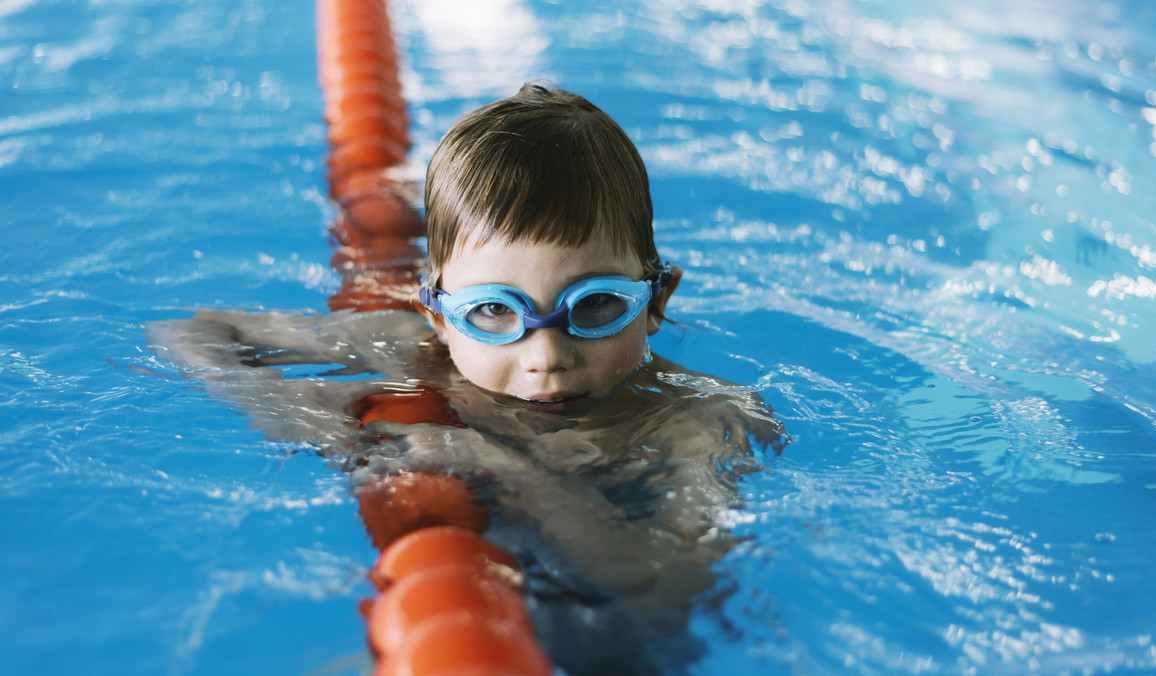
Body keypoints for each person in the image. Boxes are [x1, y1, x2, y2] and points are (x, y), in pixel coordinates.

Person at [147, 82, 785, 675]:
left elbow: (669, 590)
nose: (544, 355)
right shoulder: (410, 347)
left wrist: (505, 469)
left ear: (654, 302)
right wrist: (311, 422)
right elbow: (189, 333)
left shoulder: (703, 423)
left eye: (594, 305)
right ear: (438, 317)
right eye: (492, 312)